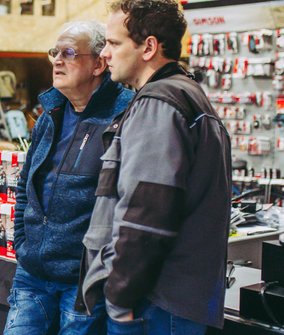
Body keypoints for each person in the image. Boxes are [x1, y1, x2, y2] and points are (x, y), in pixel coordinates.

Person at [76, 1, 232, 334]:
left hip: (155, 303)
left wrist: (120, 297)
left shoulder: (160, 102)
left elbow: (146, 213)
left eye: (114, 43)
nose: (105, 54)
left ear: (148, 46)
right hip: (172, 301)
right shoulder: (186, 96)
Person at [4, 21, 134, 334]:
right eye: (54, 53)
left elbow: (129, 202)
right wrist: (24, 243)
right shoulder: (50, 113)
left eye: (70, 52)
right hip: (32, 273)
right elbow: (27, 185)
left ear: (99, 63)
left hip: (84, 279)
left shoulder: (125, 116)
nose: (57, 61)